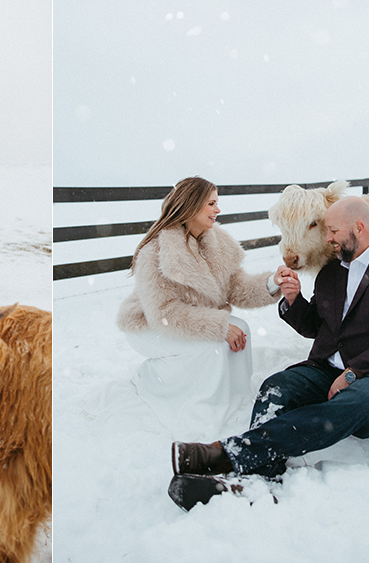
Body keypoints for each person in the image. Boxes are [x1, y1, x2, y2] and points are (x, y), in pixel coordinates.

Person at [169, 196, 369, 510]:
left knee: (352, 401)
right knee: (276, 387)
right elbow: (319, 327)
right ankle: (262, 478)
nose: (327, 239)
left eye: (333, 231)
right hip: (327, 370)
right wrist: (293, 300)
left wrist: (355, 372)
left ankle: (225, 454)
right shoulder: (331, 273)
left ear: (360, 227)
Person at [115, 177, 291, 435]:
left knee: (241, 328)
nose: (217, 210)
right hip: (147, 326)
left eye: (217, 203)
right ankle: (160, 382)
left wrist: (272, 282)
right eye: (211, 203)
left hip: (186, 318)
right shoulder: (156, 251)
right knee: (213, 349)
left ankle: (237, 403)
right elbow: (164, 313)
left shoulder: (217, 243)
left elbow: (236, 288)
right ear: (191, 206)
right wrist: (218, 327)